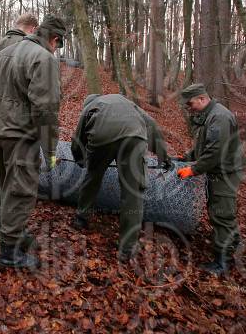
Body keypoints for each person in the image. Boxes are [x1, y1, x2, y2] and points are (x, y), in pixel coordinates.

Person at [0, 14, 65, 268]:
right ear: (54, 39)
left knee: (6, 183)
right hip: (19, 134)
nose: (56, 50)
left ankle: (6, 231)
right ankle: (9, 252)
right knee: (21, 190)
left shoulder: (6, 51)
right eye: (58, 45)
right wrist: (50, 150)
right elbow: (46, 110)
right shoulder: (44, 58)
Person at [70, 94, 173, 262]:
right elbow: (151, 125)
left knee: (92, 178)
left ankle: (81, 219)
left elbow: (78, 140)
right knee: (132, 191)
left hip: (102, 136)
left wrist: (80, 160)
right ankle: (127, 248)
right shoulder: (124, 101)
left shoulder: (90, 107)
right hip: (134, 136)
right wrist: (163, 156)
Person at [0, 13, 39, 231]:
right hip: (16, 123)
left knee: (0, 168)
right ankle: (7, 229)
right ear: (32, 29)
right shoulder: (28, 49)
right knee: (14, 178)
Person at [176, 83, 245, 276]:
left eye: (190, 104)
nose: (189, 108)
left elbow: (215, 151)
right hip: (220, 170)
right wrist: (188, 158)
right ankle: (235, 243)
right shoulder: (210, 115)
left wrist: (194, 169)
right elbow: (205, 145)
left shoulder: (219, 117)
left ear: (202, 98)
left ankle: (222, 262)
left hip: (225, 172)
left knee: (221, 214)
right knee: (223, 211)